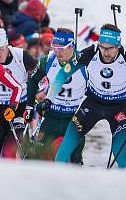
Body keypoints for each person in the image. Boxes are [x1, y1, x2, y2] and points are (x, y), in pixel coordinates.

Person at [53, 24, 126, 168]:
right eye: (103, 47)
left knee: (120, 155)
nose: (106, 52)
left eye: (111, 48)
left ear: (118, 46)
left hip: (118, 109)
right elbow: (63, 74)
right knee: (62, 154)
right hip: (92, 105)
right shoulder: (90, 52)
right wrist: (48, 98)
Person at [25, 29, 87, 162]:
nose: (57, 52)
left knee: (75, 159)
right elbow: (33, 81)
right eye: (55, 48)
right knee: (37, 156)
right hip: (52, 116)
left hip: (74, 119)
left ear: (71, 46)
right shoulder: (48, 60)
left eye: (62, 48)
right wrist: (30, 106)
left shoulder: (84, 63)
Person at [0, 27, 36, 158]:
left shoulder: (21, 57)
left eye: (0, 49)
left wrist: (33, 97)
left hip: (19, 107)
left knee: (10, 151)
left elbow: (40, 80)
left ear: (7, 45)